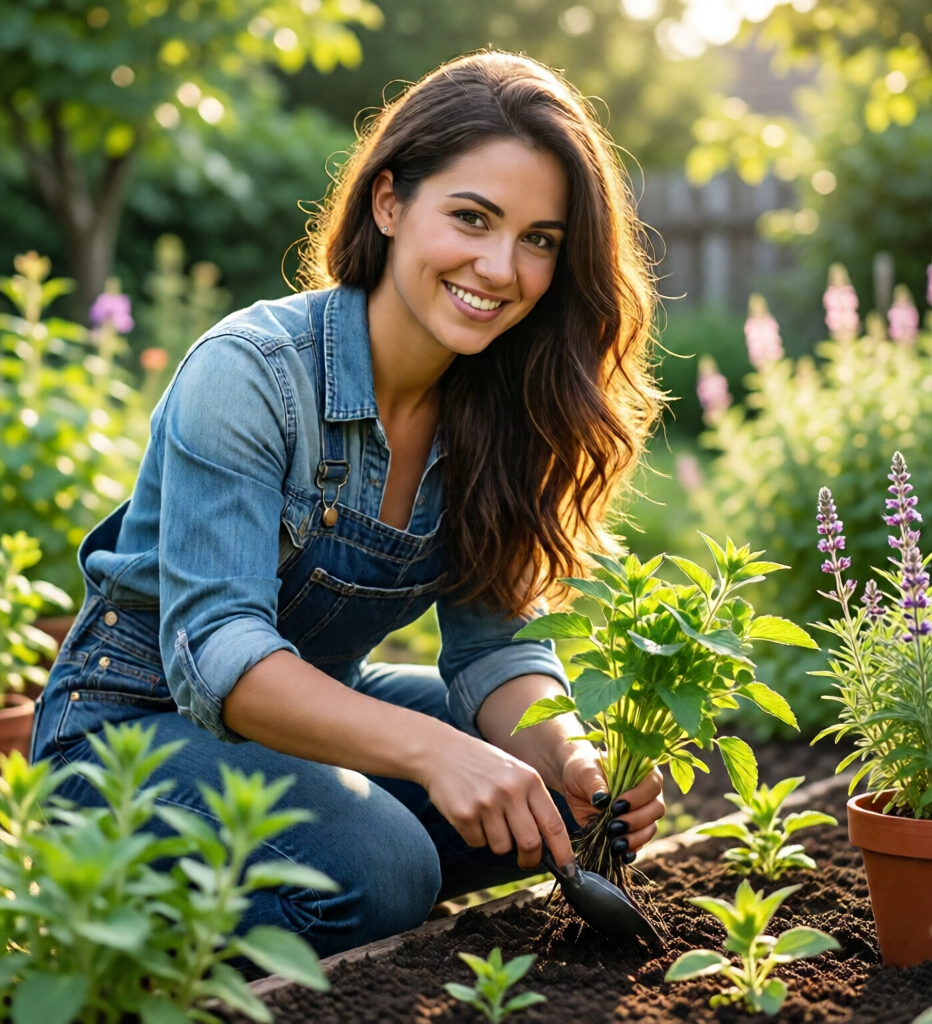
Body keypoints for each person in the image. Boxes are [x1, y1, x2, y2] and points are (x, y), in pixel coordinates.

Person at [32, 51, 666, 958]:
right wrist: (437, 755)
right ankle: (111, 932)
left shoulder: (501, 405)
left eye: (540, 239)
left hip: (314, 716)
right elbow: (225, 658)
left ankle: (341, 875)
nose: (500, 266)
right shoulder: (250, 374)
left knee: (544, 804)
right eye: (472, 218)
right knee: (389, 866)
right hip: (130, 738)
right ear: (389, 203)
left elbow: (496, 648)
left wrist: (563, 753)